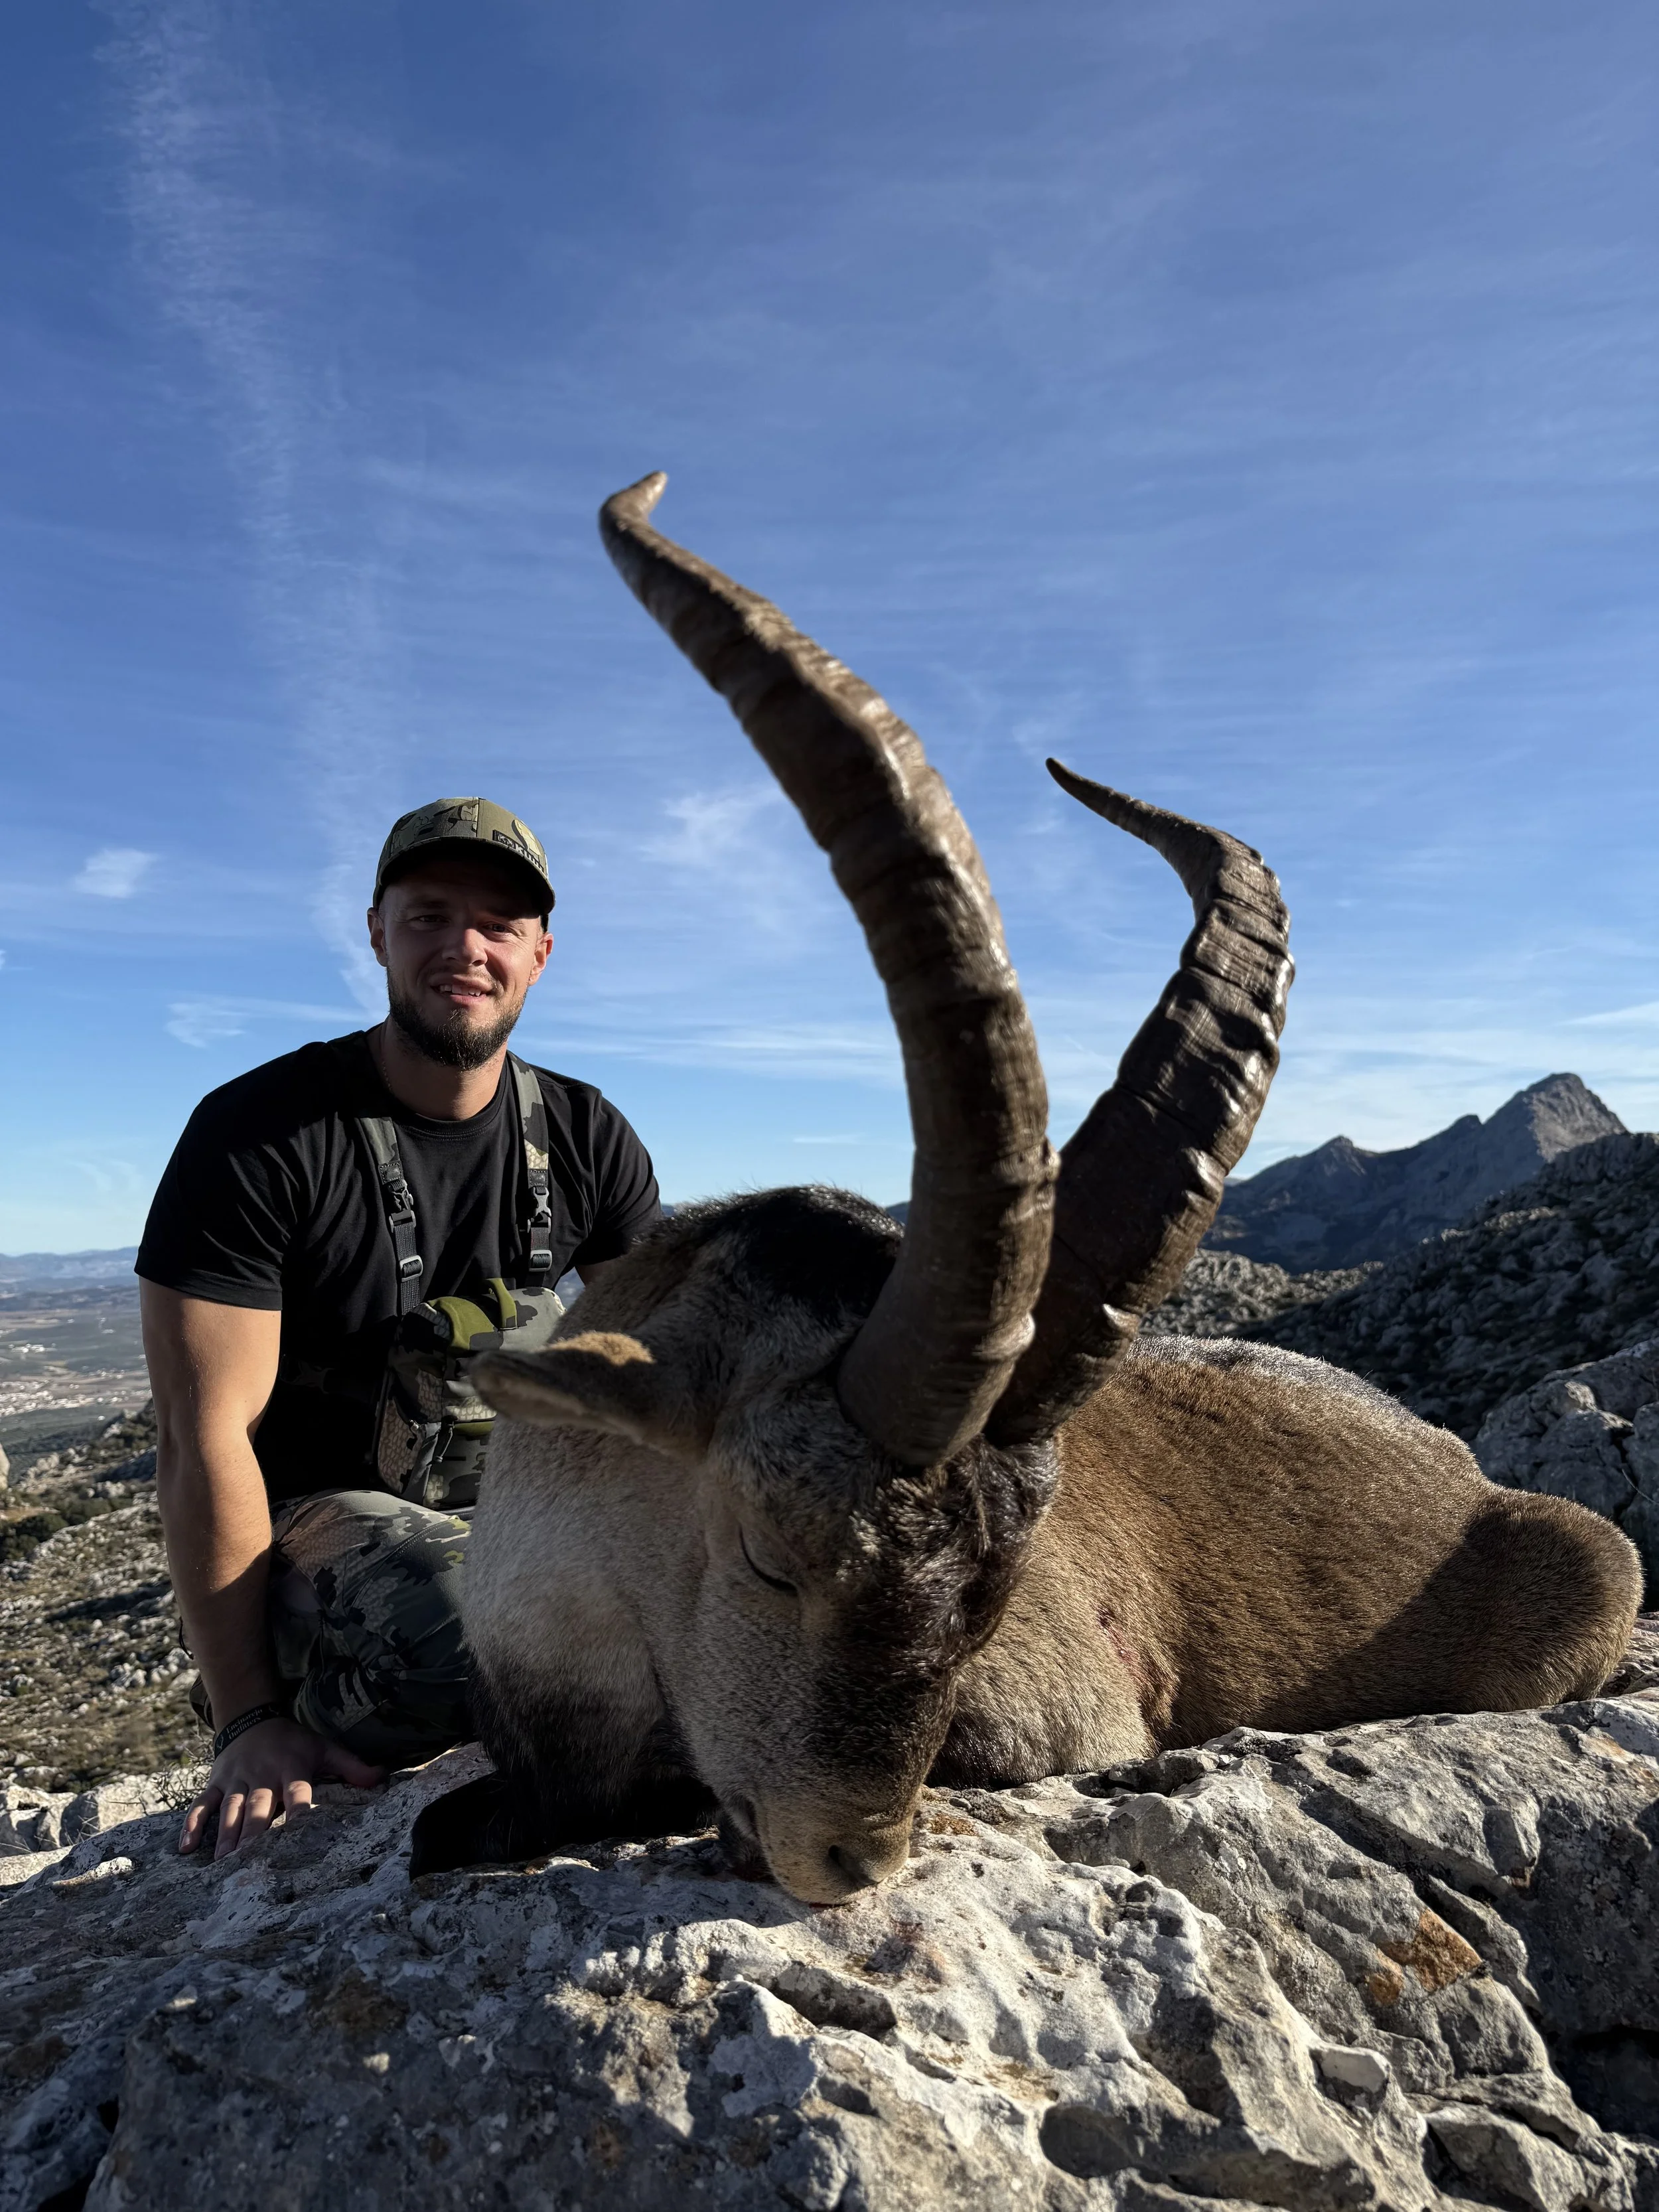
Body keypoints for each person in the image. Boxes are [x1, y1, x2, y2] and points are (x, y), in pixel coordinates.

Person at [137, 798, 660, 1860]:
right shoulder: (259, 1134)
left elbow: (653, 1374)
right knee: (484, 1645)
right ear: (377, 933)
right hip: (312, 1509)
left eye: (498, 925)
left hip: (513, 1492)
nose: (465, 948)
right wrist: (248, 1722)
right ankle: (305, 1658)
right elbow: (205, 1439)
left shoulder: (588, 1133)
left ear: (540, 955)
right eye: (428, 917)